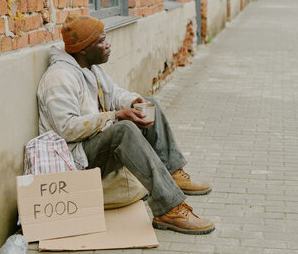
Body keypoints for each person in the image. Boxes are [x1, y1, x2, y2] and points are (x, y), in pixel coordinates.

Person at [36, 14, 215, 235]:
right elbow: (67, 129)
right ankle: (168, 209)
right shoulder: (60, 77)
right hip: (75, 157)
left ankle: (172, 174)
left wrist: (133, 102)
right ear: (83, 48)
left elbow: (115, 94)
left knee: (150, 105)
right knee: (123, 130)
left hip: (91, 143)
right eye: (101, 41)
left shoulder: (90, 67)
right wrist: (115, 116)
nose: (108, 44)